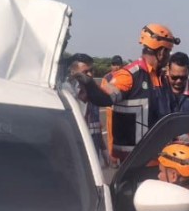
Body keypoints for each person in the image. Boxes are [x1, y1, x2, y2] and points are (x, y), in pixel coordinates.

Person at [74, 24, 180, 161]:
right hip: (134, 162)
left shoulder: (162, 78)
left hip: (158, 158)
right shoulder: (129, 75)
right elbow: (104, 98)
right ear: (161, 52)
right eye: (168, 52)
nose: (168, 57)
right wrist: (87, 82)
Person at [66, 53, 110, 167]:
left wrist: (103, 149)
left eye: (92, 71)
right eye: (85, 72)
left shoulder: (93, 94)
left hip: (93, 153)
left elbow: (96, 127)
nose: (90, 75)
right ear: (73, 73)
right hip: (75, 156)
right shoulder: (67, 95)